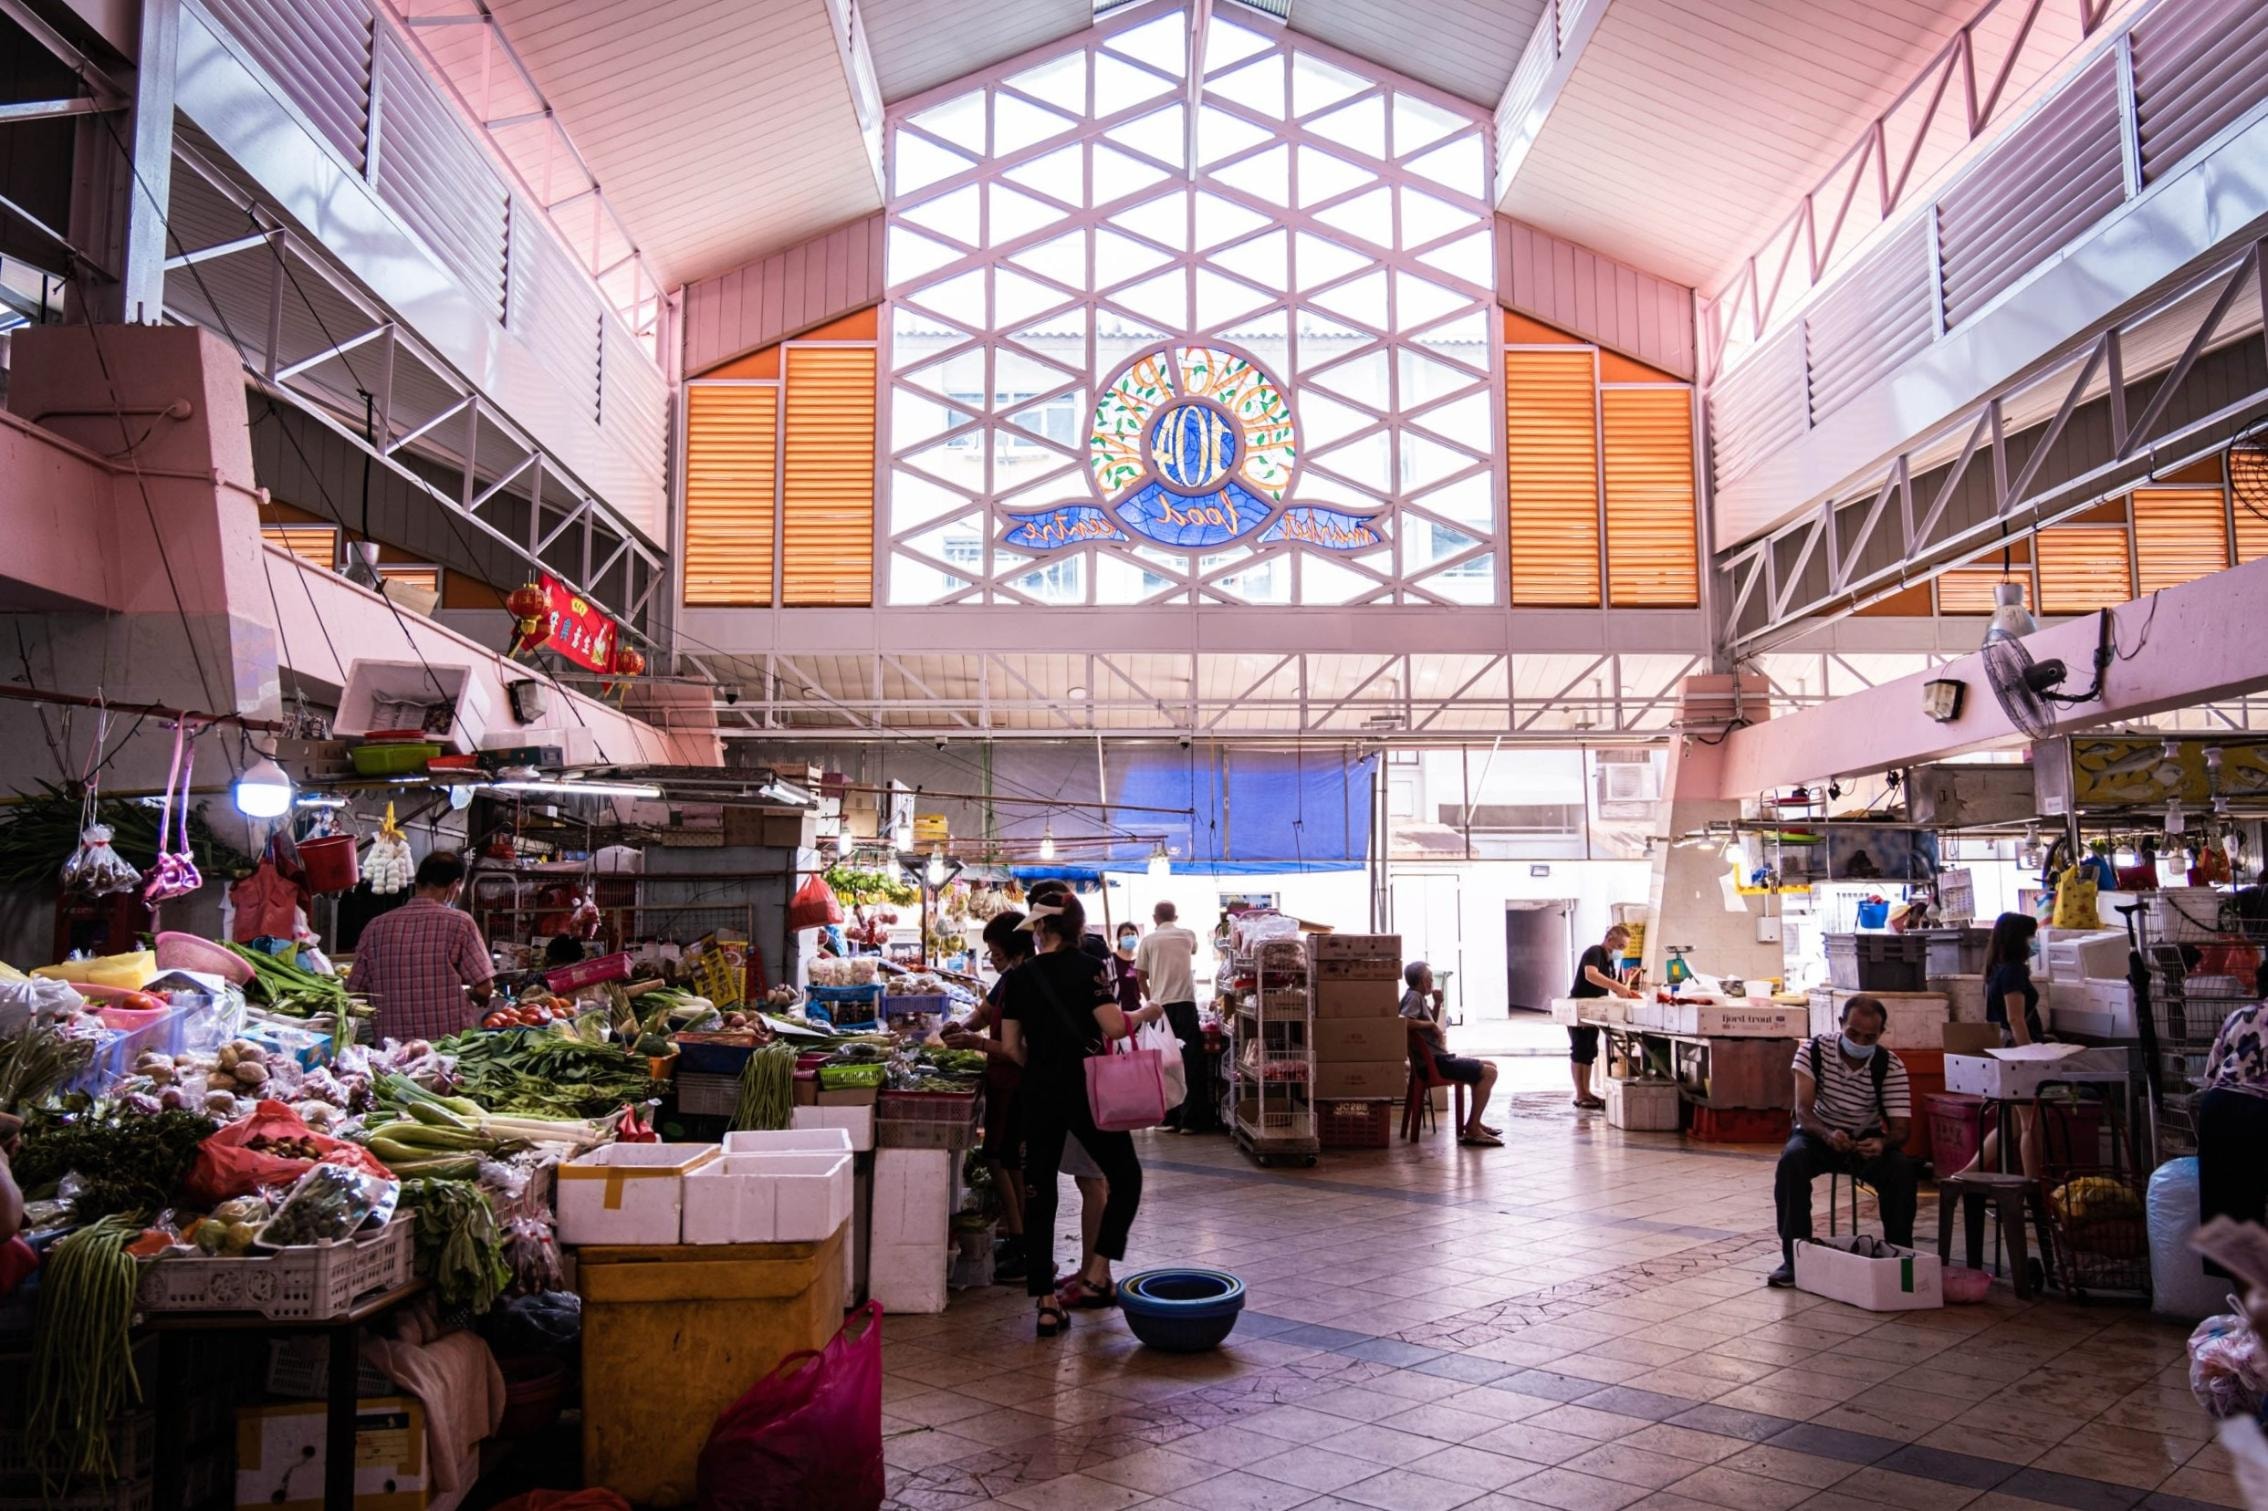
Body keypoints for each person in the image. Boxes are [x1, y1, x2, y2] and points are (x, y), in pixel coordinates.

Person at [997, 891, 1149, 1337]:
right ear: (1076, 928)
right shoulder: (1090, 969)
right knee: (1126, 1176)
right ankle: (1097, 1273)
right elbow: (1115, 1026)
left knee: (1039, 1192)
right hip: (1086, 1089)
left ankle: (1045, 1304)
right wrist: (1149, 1012)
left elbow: (1010, 1047)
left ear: (1041, 929)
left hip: (1039, 1094)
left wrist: (1041, 1068)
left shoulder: (1019, 978)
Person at [1768, 995, 1919, 1288]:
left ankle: (1900, 1257)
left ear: (1881, 1035)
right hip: (1817, 1133)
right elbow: (1803, 1111)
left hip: (1865, 1140)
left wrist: (1882, 1144)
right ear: (1840, 1024)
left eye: (1869, 1037)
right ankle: (1794, 1259)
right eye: (1853, 1033)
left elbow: (1902, 1129)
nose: (1860, 1042)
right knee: (1792, 1161)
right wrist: (1826, 1134)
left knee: (1902, 1170)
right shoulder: (1813, 1051)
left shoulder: (1891, 1066)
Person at [943, 912, 1035, 1284]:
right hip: (1001, 1083)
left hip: (1018, 1086)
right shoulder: (1008, 980)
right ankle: (1020, 1237)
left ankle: (1021, 1241)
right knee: (1005, 1159)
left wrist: (975, 1042)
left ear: (1013, 950)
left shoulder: (1026, 983)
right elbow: (982, 1013)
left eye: (995, 950)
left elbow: (1020, 1051)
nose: (991, 957)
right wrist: (960, 1027)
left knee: (1002, 1158)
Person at [351, 852, 495, 1043]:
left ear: (417, 883)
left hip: (392, 1054)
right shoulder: (460, 923)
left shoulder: (375, 927)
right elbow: (485, 989)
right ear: (454, 886)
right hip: (446, 1050)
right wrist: (466, 994)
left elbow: (354, 992)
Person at [1960, 911, 2045, 1178]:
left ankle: (1967, 1173)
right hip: (2017, 1056)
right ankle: (2033, 1187)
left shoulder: (1995, 970)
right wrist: (2031, 1054)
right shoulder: (2014, 971)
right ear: (2019, 939)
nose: (2036, 941)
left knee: (2011, 1125)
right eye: (2032, 936)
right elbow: (2015, 1018)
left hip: (2004, 1053)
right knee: (2030, 1123)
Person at [2195, 992, 2268, 1275]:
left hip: (2221, 1109)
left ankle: (2249, 1312)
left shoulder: (2238, 1016)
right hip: (2260, 1111)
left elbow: (2211, 1073)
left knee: (2228, 1211)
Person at [1400, 961, 1500, 1147]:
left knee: (1491, 1065)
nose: (1432, 982)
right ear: (1423, 981)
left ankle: (1474, 1123)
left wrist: (1437, 1004)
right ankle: (1472, 1129)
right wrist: (1431, 1025)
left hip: (1438, 1060)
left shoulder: (1417, 997)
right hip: (1435, 1063)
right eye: (1430, 978)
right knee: (1490, 1073)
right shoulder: (1414, 997)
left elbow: (1427, 1026)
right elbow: (1405, 1022)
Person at [1134, 901, 1208, 1133]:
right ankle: (1191, 1121)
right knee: (1190, 1062)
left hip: (1160, 1008)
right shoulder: (1188, 936)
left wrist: (1151, 999)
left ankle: (1169, 1118)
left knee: (1165, 1063)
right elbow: (1193, 950)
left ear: (1155, 918)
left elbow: (1139, 977)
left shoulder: (1148, 940)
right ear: (1175, 916)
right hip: (1186, 1004)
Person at [1568, 924, 1641, 1110]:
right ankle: (1580, 1094)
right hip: (1580, 1008)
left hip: (1594, 1010)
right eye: (1621, 946)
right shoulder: (1595, 952)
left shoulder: (1609, 960)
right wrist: (1617, 987)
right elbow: (1591, 975)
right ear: (1609, 940)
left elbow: (1612, 985)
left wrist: (1624, 985)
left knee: (1589, 1051)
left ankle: (1587, 1091)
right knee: (1579, 1050)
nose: (1621, 951)